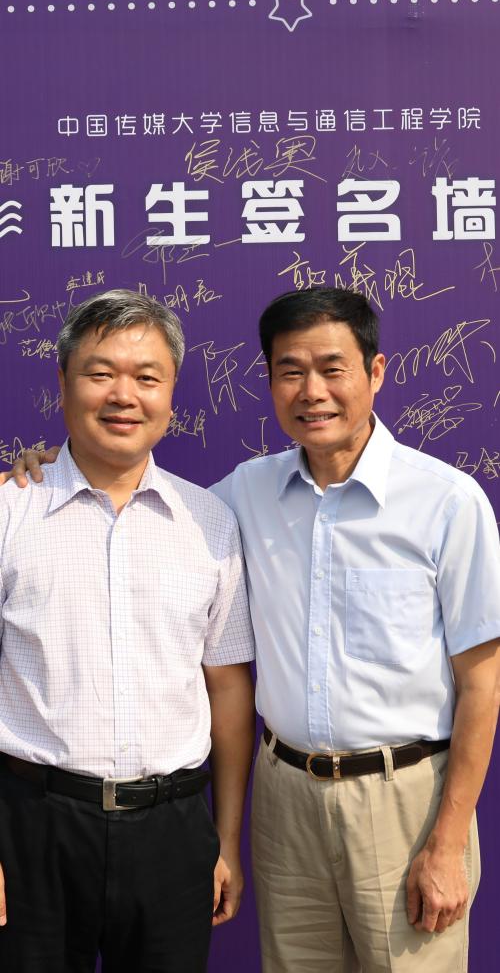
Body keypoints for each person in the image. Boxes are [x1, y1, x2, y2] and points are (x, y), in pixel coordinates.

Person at [7, 287, 500, 973]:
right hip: (278, 801)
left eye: (333, 369)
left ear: (376, 372)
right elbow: (107, 470)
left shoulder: (443, 502)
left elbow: (482, 684)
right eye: (290, 371)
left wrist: (447, 842)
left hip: (401, 801)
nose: (312, 391)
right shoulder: (239, 497)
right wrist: (44, 470)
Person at [0, 289, 255, 973]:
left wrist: (225, 841)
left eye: (147, 377)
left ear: (170, 395)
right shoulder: (8, 513)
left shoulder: (210, 523)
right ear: (62, 382)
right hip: (31, 828)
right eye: (100, 373)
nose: (124, 395)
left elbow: (229, 690)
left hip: (174, 833)